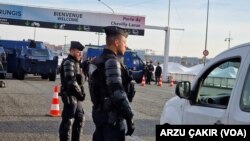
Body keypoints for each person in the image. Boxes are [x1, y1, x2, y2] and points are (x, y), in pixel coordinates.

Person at [88, 26, 135, 141]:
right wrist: (130, 117)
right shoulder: (112, 62)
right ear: (116, 42)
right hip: (112, 120)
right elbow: (117, 93)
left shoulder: (96, 61)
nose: (126, 46)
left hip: (100, 116)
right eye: (124, 42)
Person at [59, 41, 86, 141]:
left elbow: (78, 81)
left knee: (79, 118)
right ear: (71, 51)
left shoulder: (76, 63)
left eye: (81, 52)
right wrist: (80, 94)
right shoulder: (68, 62)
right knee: (68, 121)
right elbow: (71, 82)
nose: (80, 54)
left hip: (76, 96)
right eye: (78, 52)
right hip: (70, 95)